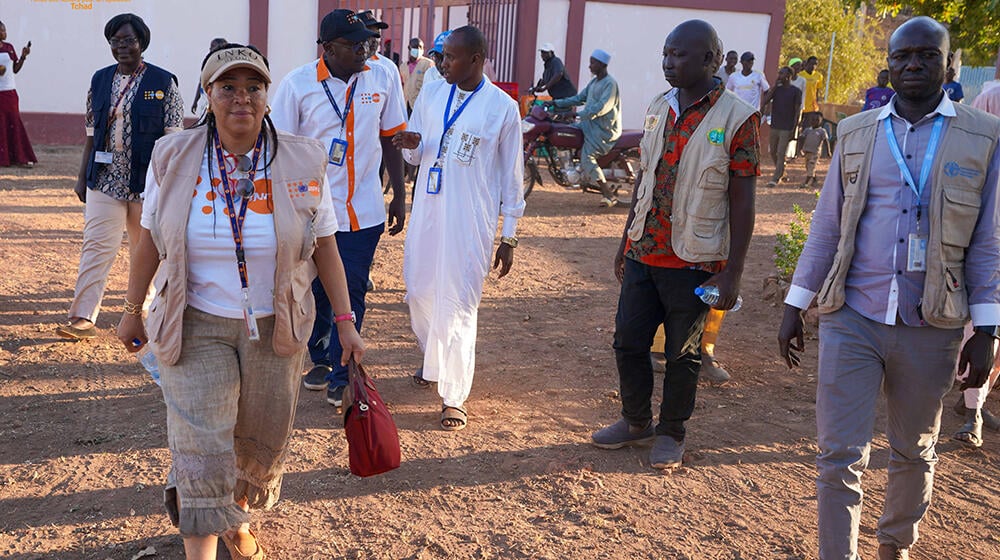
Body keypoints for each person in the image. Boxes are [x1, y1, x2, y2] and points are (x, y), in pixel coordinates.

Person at [116, 44, 364, 560]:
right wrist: (130, 307)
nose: (241, 99)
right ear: (207, 95)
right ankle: (203, 542)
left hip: (277, 326)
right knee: (202, 443)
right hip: (194, 322)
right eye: (227, 87)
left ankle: (237, 516)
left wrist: (345, 322)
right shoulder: (174, 154)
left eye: (253, 87)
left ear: (268, 98)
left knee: (256, 440)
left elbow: (326, 249)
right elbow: (150, 241)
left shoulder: (303, 157)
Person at [777, 17, 1000, 560]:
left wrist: (987, 331)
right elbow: (827, 227)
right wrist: (795, 305)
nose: (914, 65)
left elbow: (990, 239)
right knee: (838, 454)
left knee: (915, 451)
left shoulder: (983, 135)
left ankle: (895, 547)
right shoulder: (857, 132)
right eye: (903, 56)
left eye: (928, 55)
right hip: (852, 315)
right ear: (889, 66)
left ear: (949, 65)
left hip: (934, 323)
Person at [591, 19, 759, 469]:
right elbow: (644, 177)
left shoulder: (738, 118)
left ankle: (672, 431)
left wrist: (733, 271)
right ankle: (635, 421)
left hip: (695, 259)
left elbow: (743, 204)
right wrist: (626, 238)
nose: (668, 62)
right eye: (665, 53)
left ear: (709, 59)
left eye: (679, 55)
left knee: (682, 354)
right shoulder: (658, 106)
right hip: (645, 250)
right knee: (628, 341)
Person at [270, 9, 406, 408]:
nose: (365, 49)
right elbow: (279, 150)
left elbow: (391, 138)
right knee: (314, 289)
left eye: (367, 42)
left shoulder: (383, 77)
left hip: (363, 208)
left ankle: (343, 372)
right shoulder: (297, 85)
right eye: (353, 44)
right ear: (328, 49)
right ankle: (320, 356)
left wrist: (398, 194)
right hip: (310, 212)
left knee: (353, 287)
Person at [391, 25, 525, 431]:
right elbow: (418, 155)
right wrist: (410, 143)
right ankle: (434, 359)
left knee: (460, 303)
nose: (442, 62)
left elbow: (512, 176)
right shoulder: (432, 92)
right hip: (429, 212)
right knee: (419, 290)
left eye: (451, 57)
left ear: (477, 60)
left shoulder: (502, 108)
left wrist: (509, 234)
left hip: (471, 219)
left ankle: (454, 394)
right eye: (443, 55)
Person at [56, 13, 183, 341]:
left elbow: (173, 139)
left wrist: (170, 186)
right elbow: (90, 132)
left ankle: (145, 310)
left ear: (142, 42)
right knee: (96, 245)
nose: (122, 47)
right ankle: (82, 315)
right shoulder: (99, 79)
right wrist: (83, 175)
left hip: (147, 184)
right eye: (116, 41)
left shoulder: (163, 82)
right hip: (104, 180)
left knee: (146, 250)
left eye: (129, 40)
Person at [550, 49, 622, 207]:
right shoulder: (595, 82)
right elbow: (579, 98)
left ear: (602, 65)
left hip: (602, 130)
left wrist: (578, 115)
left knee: (587, 157)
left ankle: (608, 194)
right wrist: (556, 103)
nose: (589, 66)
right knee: (565, 133)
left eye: (592, 63)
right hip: (588, 125)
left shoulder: (610, 83)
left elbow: (602, 107)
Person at [0, 20, 37, 168]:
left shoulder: (9, 48)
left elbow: (15, 69)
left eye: (5, 30)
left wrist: (23, 57)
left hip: (10, 92)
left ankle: (17, 157)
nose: (5, 33)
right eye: (2, 30)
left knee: (13, 122)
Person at [761, 66, 802, 187]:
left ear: (789, 76)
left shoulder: (796, 91)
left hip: (787, 127)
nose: (779, 75)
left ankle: (775, 177)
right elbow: (765, 101)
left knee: (780, 152)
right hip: (775, 125)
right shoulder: (777, 90)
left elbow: (797, 111)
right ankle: (782, 169)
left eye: (782, 74)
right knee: (773, 151)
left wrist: (794, 129)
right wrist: (774, 86)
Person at [190, 37, 228, 115]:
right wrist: (195, 101)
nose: (210, 49)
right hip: (205, 100)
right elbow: (201, 82)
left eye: (213, 47)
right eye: (210, 47)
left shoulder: (227, 64)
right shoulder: (207, 62)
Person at [399, 37, 434, 111]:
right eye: (415, 47)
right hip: (406, 105)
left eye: (420, 48)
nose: (418, 50)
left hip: (421, 105)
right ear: (409, 48)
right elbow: (401, 85)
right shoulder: (403, 66)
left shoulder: (428, 64)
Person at [796, 112, 828, 188]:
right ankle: (814, 179)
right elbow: (802, 139)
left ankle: (806, 183)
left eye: (817, 120)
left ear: (820, 121)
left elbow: (826, 141)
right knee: (808, 167)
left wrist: (828, 151)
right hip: (807, 151)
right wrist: (799, 149)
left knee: (811, 166)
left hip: (815, 153)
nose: (814, 121)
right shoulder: (807, 130)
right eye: (813, 120)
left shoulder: (821, 131)